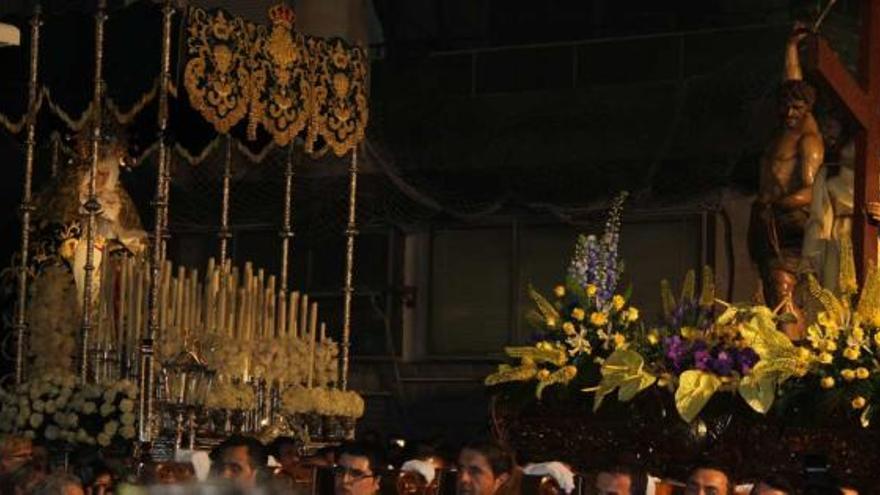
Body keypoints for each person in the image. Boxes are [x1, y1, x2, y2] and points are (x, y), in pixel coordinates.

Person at [748, 22, 824, 339]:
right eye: (785, 106)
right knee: (772, 290)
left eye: (797, 107)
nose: (789, 111)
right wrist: (791, 48)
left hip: (790, 223)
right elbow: (792, 83)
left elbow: (811, 190)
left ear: (808, 108)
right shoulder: (784, 132)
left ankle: (792, 361)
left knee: (783, 288)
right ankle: (787, 352)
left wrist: (780, 204)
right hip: (769, 221)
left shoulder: (808, 140)